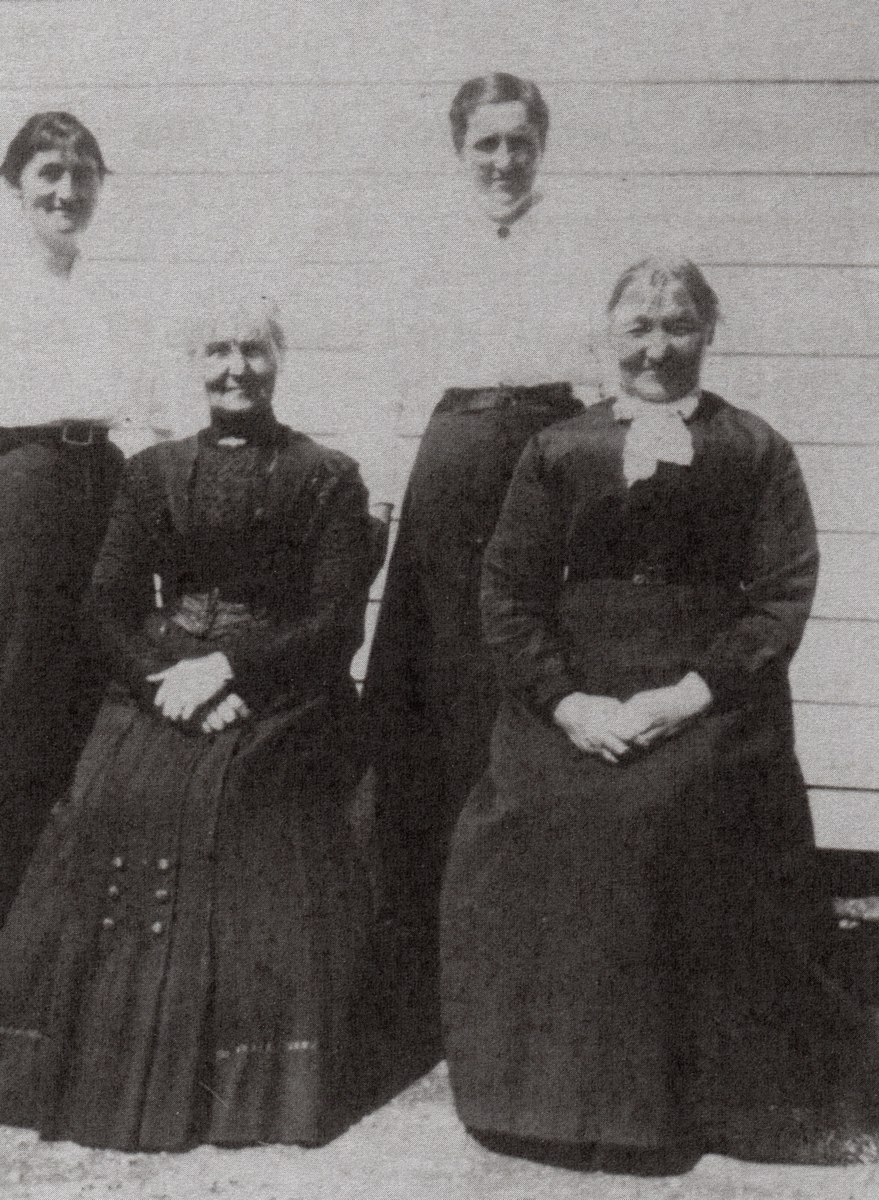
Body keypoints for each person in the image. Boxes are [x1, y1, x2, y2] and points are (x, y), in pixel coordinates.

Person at [440, 257, 879, 1171]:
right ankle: (545, 1100)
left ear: (708, 334)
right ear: (608, 335)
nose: (655, 346)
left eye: (677, 325)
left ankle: (680, 1102)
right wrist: (566, 704)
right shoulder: (557, 449)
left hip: (712, 696)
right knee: (533, 814)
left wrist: (687, 698)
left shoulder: (754, 449)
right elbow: (509, 593)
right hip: (578, 691)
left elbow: (781, 597)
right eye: (637, 326)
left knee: (660, 814)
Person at [0, 295, 379, 1151]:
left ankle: (244, 1072)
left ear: (278, 360)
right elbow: (107, 603)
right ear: (194, 363)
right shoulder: (150, 473)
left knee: (234, 799)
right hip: (165, 676)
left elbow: (335, 620)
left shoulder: (327, 474)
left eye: (252, 351)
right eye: (217, 351)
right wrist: (164, 675)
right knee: (111, 797)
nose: (234, 369)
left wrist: (230, 668)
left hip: (284, 686)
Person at [361, 75, 586, 1073]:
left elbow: (607, 379)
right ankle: (432, 975)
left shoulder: (578, 243)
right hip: (448, 477)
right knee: (442, 705)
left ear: (541, 147)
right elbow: (390, 376)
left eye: (519, 144)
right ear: (458, 151)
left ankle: (531, 968)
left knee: (527, 689)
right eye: (485, 145)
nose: (503, 163)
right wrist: (373, 494)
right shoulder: (422, 250)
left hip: (542, 466)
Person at [0, 113, 132, 1063]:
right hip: (6, 496)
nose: (67, 192)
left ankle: (50, 955)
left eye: (83, 174)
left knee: (82, 714)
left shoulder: (116, 287)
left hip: (98, 494)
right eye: (50, 173)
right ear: (16, 184)